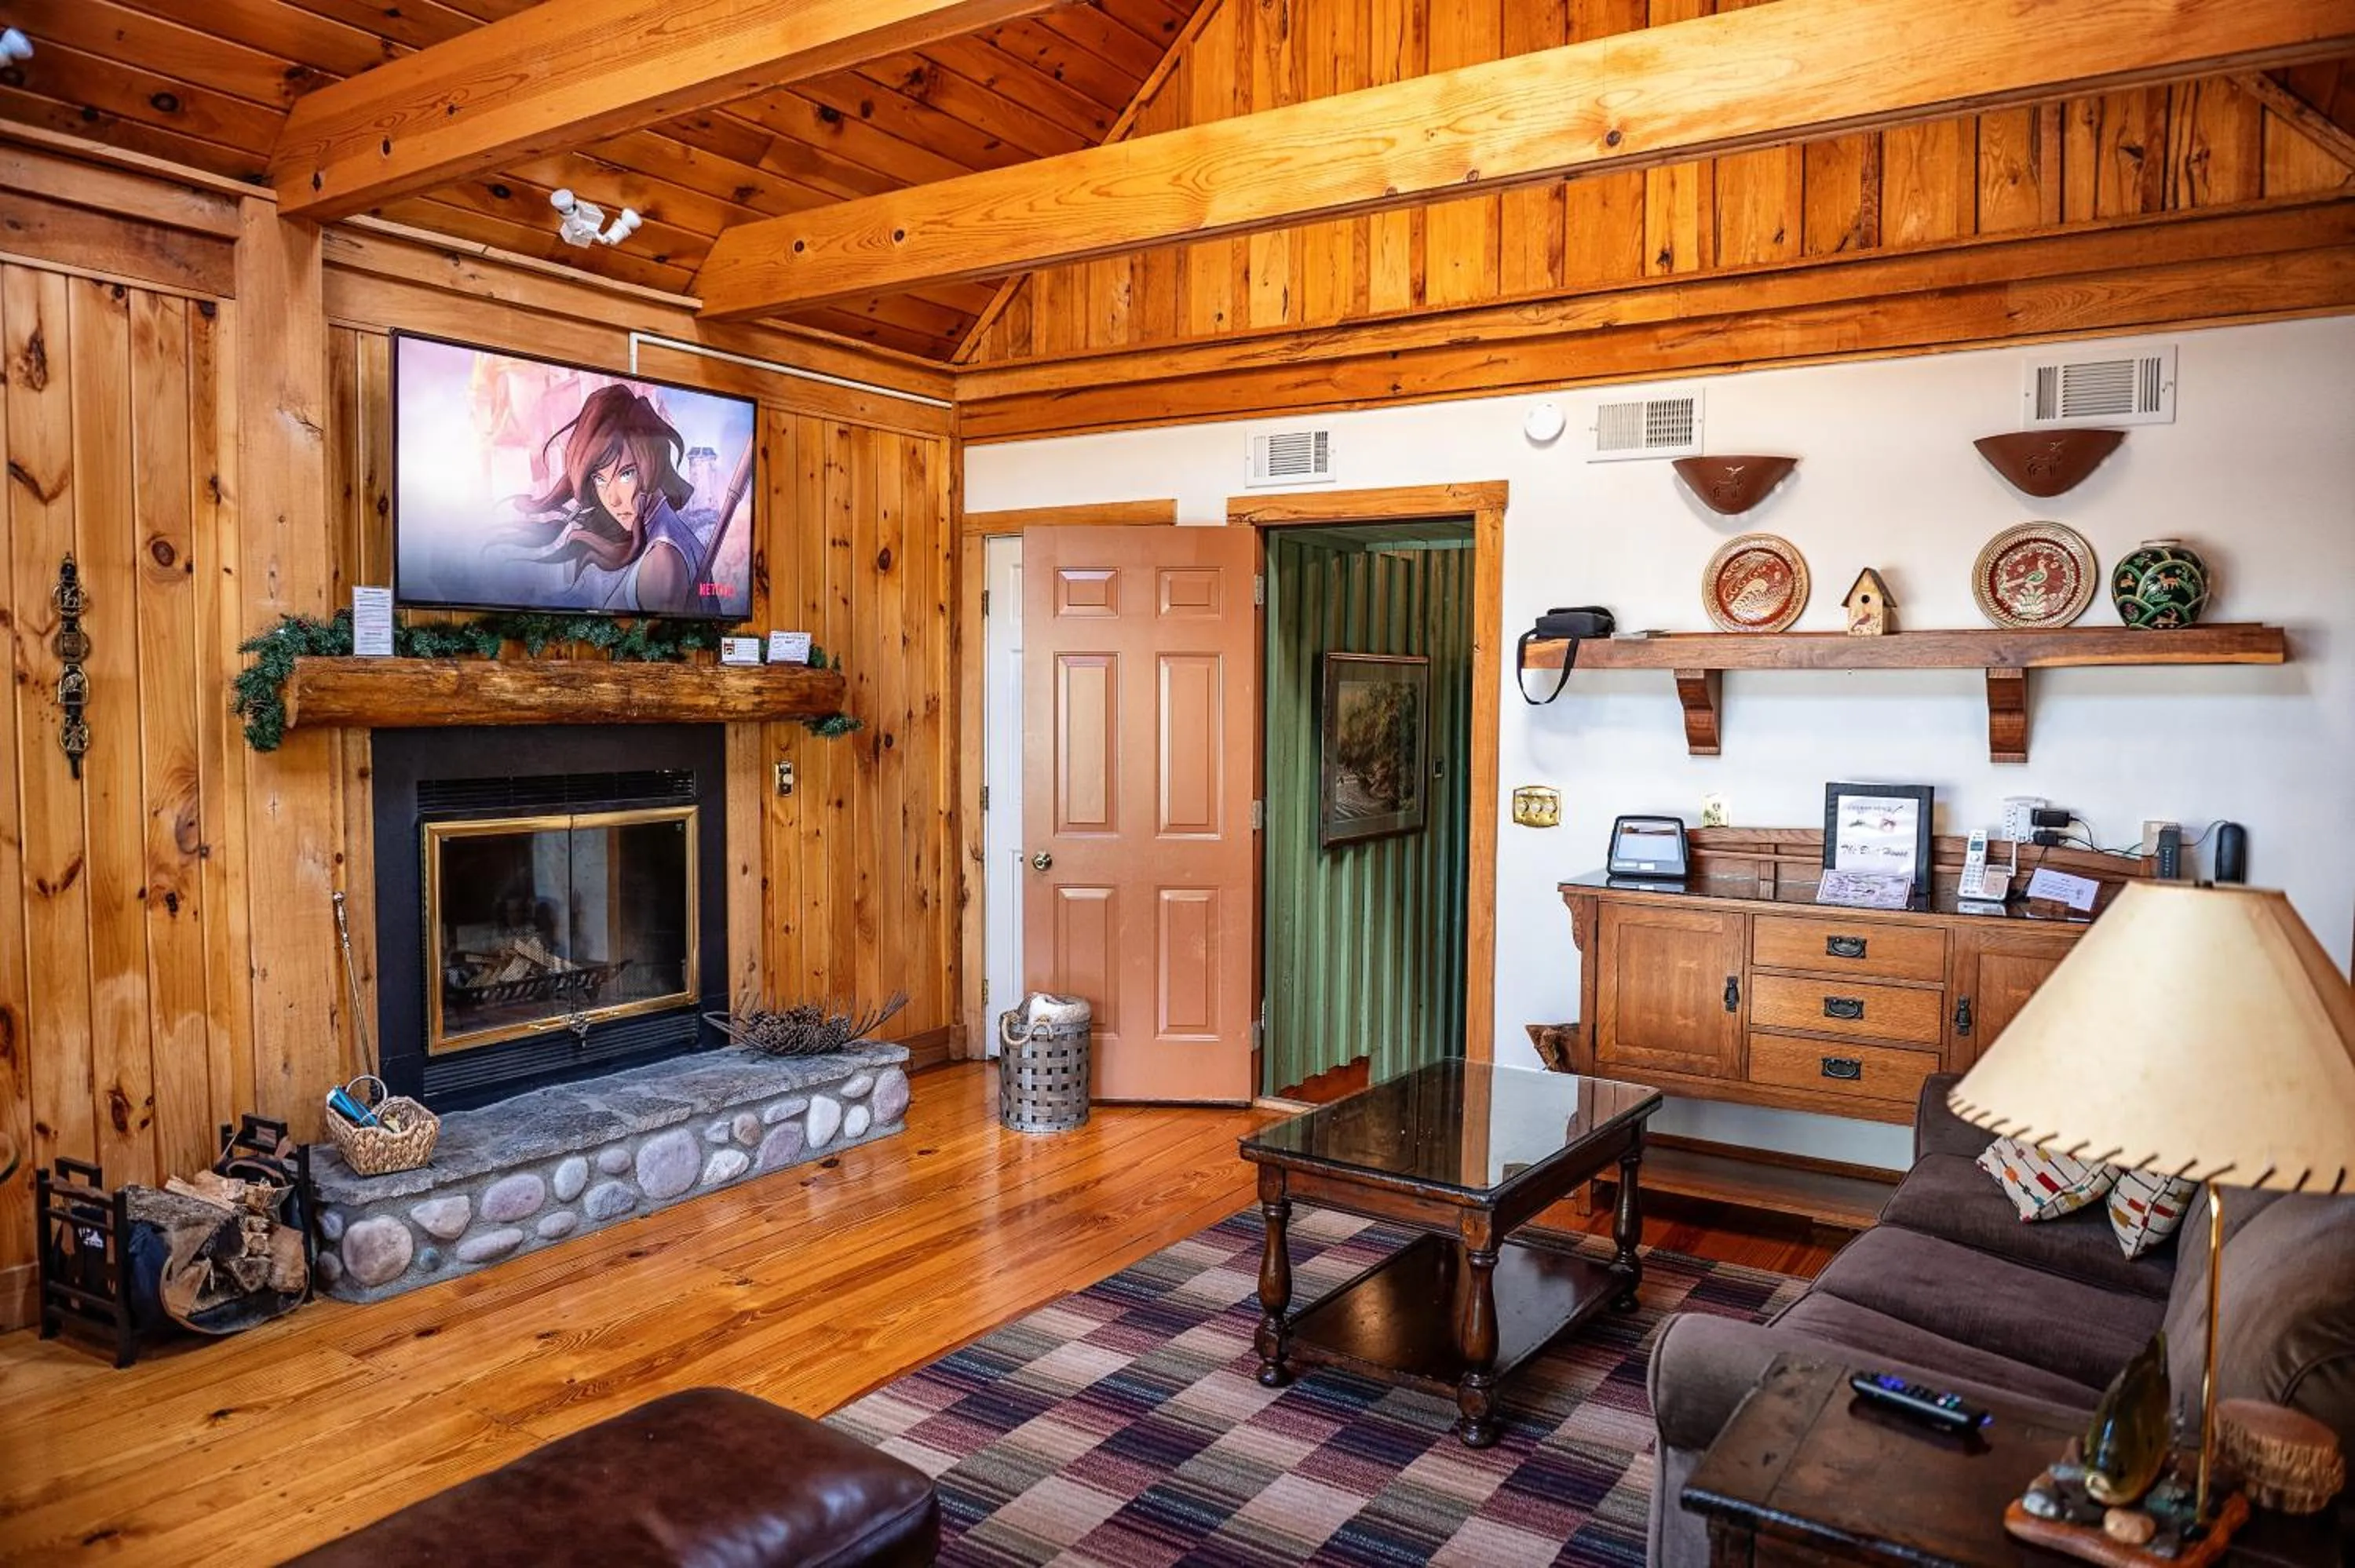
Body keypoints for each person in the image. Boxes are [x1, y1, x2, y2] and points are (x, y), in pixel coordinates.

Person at [507, 384, 714, 614]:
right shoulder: (658, 533)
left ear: (652, 461)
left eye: (625, 474)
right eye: (600, 479)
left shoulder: (661, 559)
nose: (612, 499)